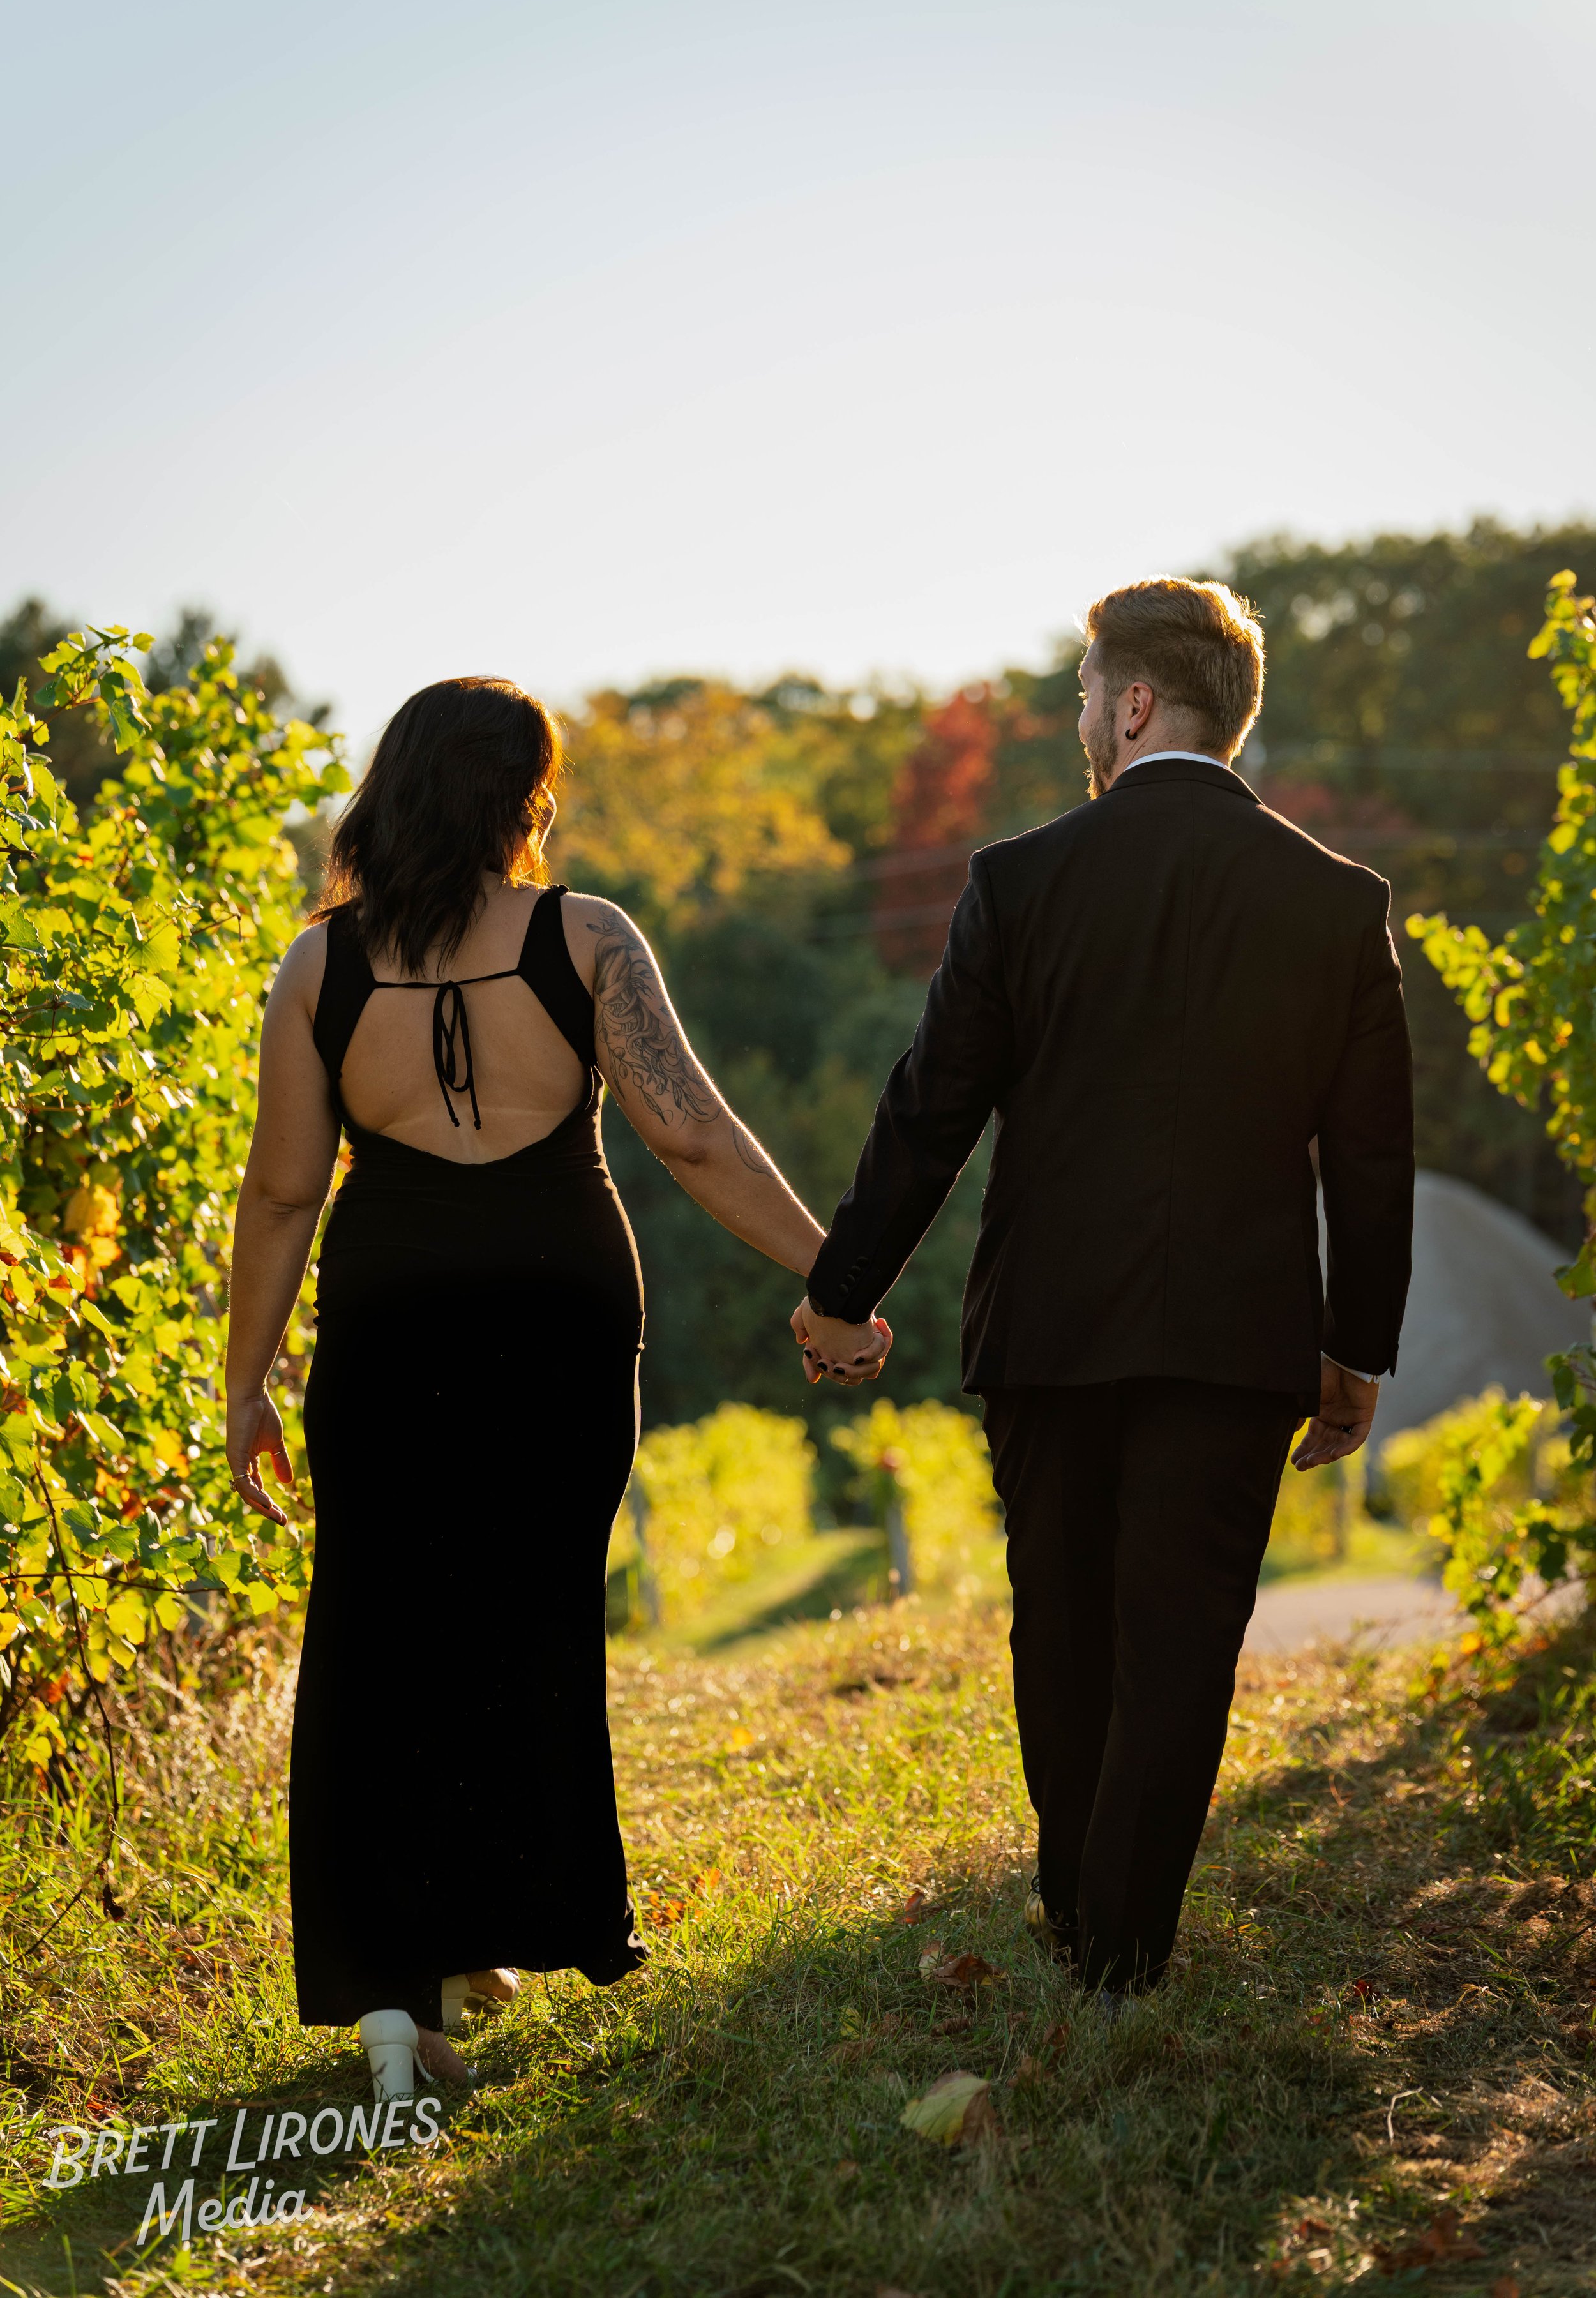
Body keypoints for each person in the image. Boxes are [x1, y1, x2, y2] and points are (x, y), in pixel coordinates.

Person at [224, 675, 887, 2098]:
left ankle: (398, 1990)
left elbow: (282, 1195)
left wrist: (244, 1389)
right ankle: (490, 1930)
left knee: (379, 1627)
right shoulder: (583, 937)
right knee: (524, 1616)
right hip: (559, 1304)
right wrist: (833, 1277)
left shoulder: (315, 966)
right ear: (524, 798)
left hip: (390, 1310)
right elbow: (692, 1137)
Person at [793, 578, 1413, 2006]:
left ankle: (1080, 1914)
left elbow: (930, 1107)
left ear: (1132, 704)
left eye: (1082, 694)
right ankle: (1123, 1946)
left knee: (1060, 1622)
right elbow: (1370, 1159)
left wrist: (841, 1290)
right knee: (1183, 1634)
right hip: (1234, 1334)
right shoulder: (1334, 903)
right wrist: (1354, 1349)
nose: (1079, 718)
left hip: (1050, 1325)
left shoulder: (1021, 881)